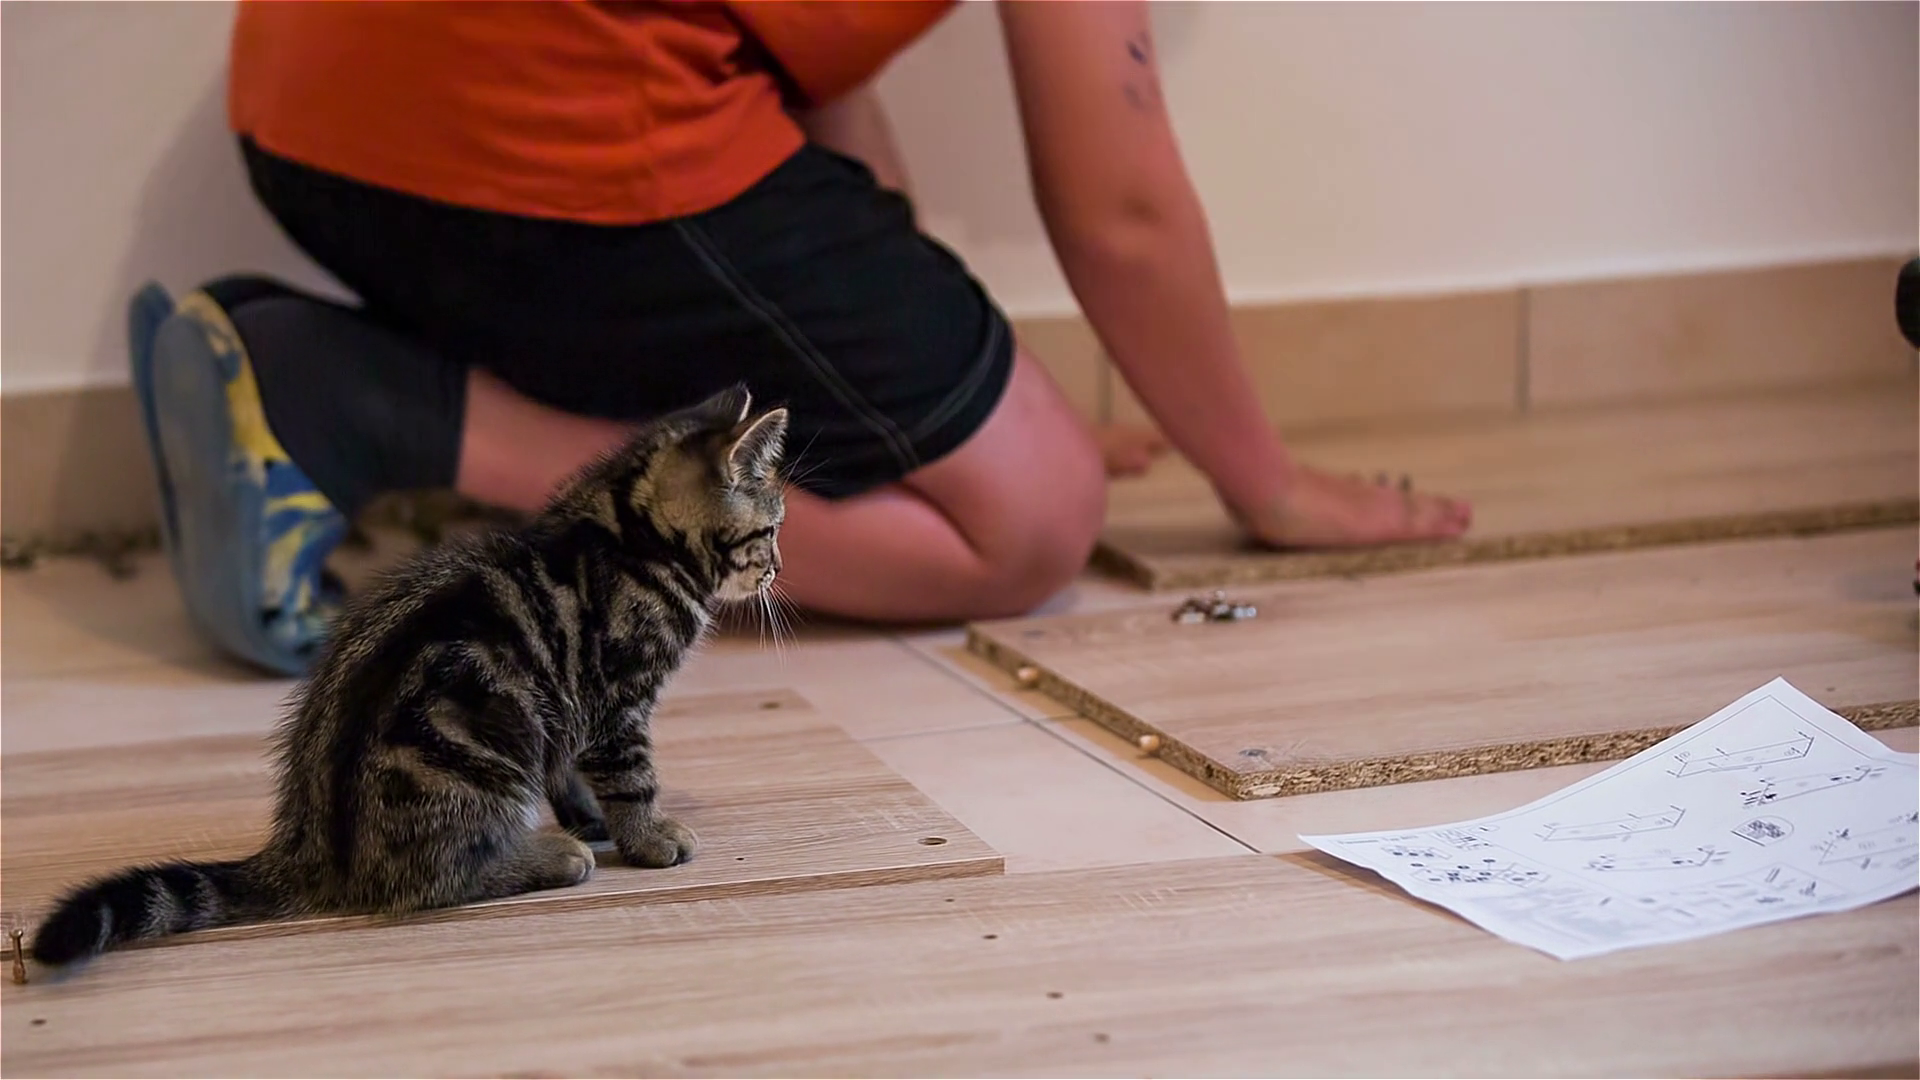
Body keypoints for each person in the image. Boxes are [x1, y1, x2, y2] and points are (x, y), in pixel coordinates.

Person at [131, 0, 1470, 676]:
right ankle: (377, 408)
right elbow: (1122, 212)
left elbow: (798, 86)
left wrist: (933, 419)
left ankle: (328, 372)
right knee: (1033, 522)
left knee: (981, 454)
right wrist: (1267, 486)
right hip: (546, 142)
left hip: (313, 127)